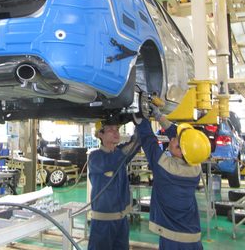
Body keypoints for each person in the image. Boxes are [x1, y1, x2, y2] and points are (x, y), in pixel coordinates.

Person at [135, 104, 211, 250]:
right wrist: (159, 117)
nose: (172, 139)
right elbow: (181, 138)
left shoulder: (165, 168)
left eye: (176, 141)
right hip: (192, 237)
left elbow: (148, 139)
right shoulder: (195, 166)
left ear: (181, 152)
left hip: (174, 240)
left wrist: (141, 116)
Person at [87, 118, 143, 250]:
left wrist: (139, 120)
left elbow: (136, 143)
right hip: (103, 222)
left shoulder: (120, 154)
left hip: (122, 219)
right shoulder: (95, 157)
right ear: (100, 134)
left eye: (117, 129)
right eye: (110, 130)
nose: (116, 132)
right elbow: (114, 160)